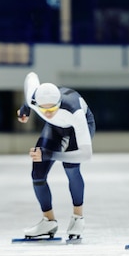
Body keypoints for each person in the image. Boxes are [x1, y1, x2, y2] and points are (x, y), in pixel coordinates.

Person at [17, 72, 96, 240]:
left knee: (71, 167)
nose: (47, 113)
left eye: (52, 109)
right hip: (54, 127)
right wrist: (26, 106)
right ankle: (48, 221)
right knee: (37, 174)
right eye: (42, 109)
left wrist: (50, 154)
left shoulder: (74, 111)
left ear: (59, 103)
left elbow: (86, 155)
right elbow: (31, 75)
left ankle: (78, 217)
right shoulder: (33, 99)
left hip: (77, 127)